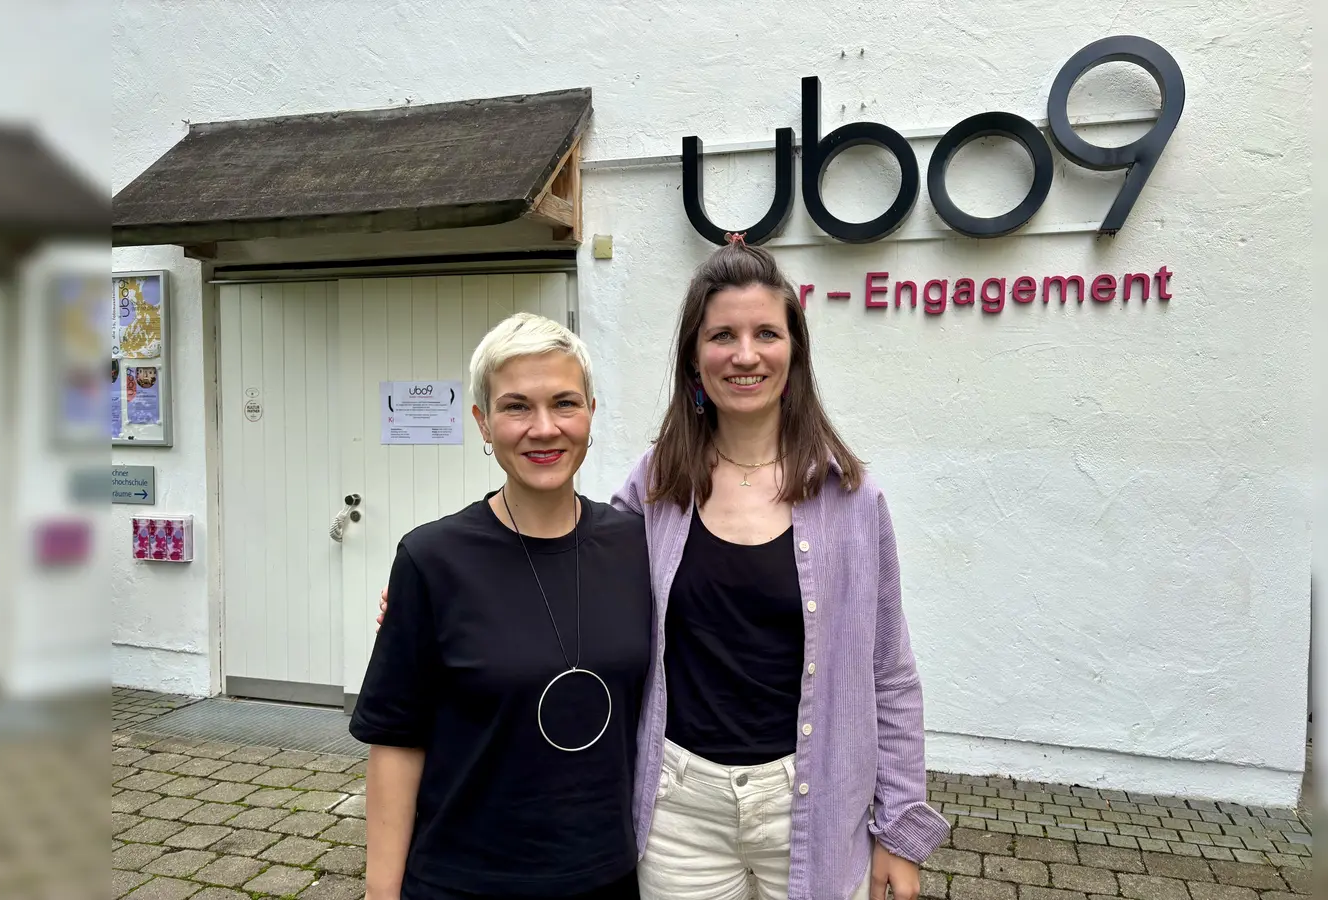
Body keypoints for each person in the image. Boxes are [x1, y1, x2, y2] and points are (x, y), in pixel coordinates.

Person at [379, 239, 947, 900]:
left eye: (766, 332)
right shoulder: (655, 488)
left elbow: (892, 674)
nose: (744, 354)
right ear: (693, 358)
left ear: (794, 352)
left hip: (814, 805)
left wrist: (899, 834)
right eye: (721, 335)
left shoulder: (850, 498)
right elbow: (568, 562)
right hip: (681, 810)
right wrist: (429, 596)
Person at [351, 312, 653, 900]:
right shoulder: (432, 559)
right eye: (516, 407)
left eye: (565, 403)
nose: (544, 428)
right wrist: (380, 892)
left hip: (610, 875)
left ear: (592, 412)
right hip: (465, 878)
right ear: (483, 423)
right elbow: (396, 739)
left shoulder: (636, 548)